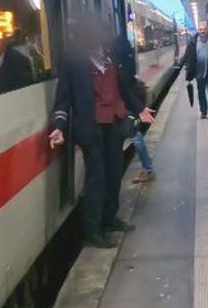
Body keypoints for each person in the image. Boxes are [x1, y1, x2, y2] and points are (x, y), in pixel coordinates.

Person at [49, 20, 155, 249]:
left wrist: (139, 108)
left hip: (113, 123)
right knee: (96, 177)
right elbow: (63, 97)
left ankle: (110, 217)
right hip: (91, 127)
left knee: (114, 171)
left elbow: (123, 87)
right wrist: (58, 125)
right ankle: (92, 230)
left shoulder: (108, 54)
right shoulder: (73, 60)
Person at [181, 21, 208, 120]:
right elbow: (188, 56)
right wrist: (185, 67)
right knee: (201, 92)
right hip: (199, 71)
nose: (203, 31)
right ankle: (203, 111)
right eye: (201, 30)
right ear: (198, 30)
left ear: (207, 29)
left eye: (204, 29)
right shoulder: (193, 41)